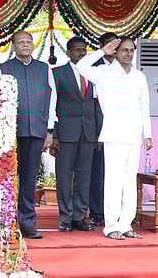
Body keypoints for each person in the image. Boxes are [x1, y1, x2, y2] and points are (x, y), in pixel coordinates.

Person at [72, 36, 153, 240]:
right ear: (116, 52)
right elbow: (80, 66)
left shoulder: (139, 76)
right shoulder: (103, 73)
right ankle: (111, 226)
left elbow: (144, 107)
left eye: (130, 50)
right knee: (114, 181)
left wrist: (148, 134)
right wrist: (102, 52)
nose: (127, 54)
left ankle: (126, 224)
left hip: (134, 134)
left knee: (129, 181)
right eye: (123, 50)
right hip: (114, 134)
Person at [0, 30, 57, 239]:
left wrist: (49, 130)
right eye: (21, 42)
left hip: (36, 131)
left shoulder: (44, 69)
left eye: (29, 42)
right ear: (13, 46)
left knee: (29, 180)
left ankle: (27, 223)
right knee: (6, 178)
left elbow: (52, 99)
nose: (25, 45)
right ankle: (4, 223)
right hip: (8, 133)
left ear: (33, 45)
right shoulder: (2, 69)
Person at [50, 37, 100, 232]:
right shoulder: (57, 73)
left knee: (84, 176)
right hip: (66, 132)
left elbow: (97, 105)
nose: (81, 53)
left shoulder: (93, 74)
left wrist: (98, 133)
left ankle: (79, 217)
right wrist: (53, 135)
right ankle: (65, 217)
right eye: (77, 50)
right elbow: (52, 104)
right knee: (64, 175)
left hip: (88, 132)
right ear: (68, 52)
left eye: (84, 50)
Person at [88, 32, 119, 228]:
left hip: (121, 126)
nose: (113, 48)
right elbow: (95, 103)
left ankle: (118, 214)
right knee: (98, 173)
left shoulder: (125, 69)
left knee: (117, 173)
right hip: (101, 125)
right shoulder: (96, 69)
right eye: (109, 45)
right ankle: (97, 212)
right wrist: (99, 133)